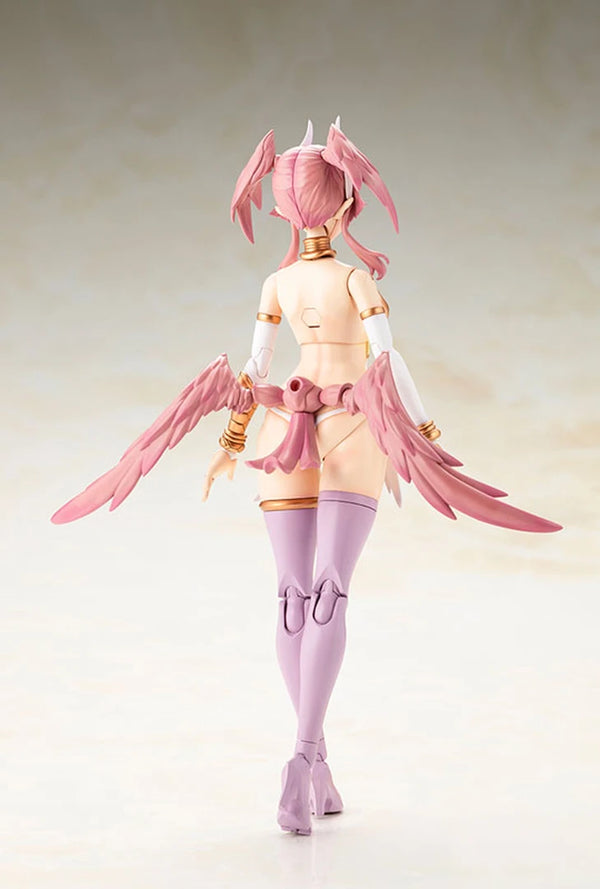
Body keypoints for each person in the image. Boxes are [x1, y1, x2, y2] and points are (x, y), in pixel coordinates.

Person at [52, 119, 561, 837]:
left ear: (281, 208)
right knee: (327, 593)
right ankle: (302, 758)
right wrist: (427, 433)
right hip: (351, 421)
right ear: (346, 200)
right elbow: (390, 364)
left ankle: (313, 762)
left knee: (293, 598)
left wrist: (233, 438)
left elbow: (254, 370)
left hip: (282, 426)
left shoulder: (278, 282)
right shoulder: (353, 278)